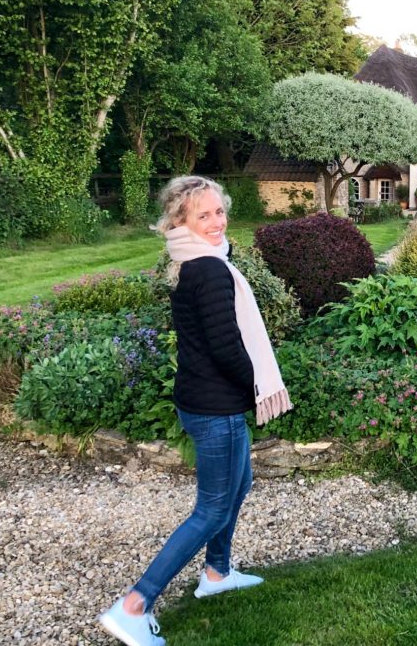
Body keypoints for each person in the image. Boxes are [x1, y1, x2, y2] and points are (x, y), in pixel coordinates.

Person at [99, 176, 292, 646]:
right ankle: (133, 606)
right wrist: (255, 385)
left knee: (238, 485)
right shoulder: (209, 269)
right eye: (203, 215)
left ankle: (217, 573)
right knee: (210, 509)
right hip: (217, 407)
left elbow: (208, 341)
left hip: (202, 400)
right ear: (180, 221)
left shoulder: (191, 262)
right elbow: (226, 348)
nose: (216, 221)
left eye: (219, 212)